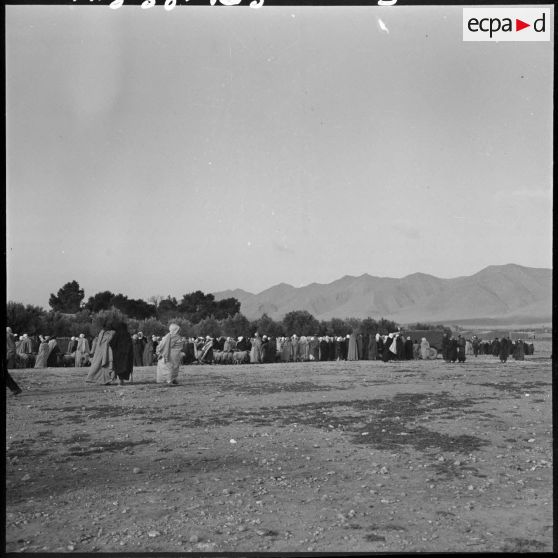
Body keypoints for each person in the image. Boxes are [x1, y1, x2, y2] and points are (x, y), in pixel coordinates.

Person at [6, 327, 22, 395]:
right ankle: (15, 389)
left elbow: (12, 348)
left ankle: (15, 389)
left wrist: (7, 357)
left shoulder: (8, 335)